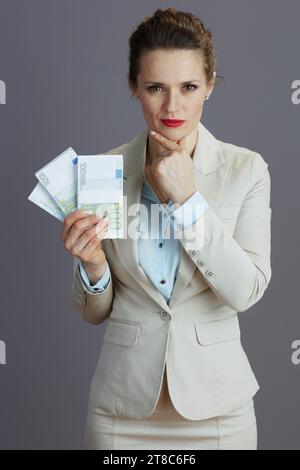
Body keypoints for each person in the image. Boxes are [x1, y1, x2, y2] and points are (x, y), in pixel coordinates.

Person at [61, 7, 272, 450]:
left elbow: (246, 290)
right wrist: (94, 267)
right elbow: (92, 312)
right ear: (134, 87)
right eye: (156, 87)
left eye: (189, 87)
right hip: (121, 413)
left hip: (218, 412)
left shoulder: (246, 170)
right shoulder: (105, 172)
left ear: (210, 85)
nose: (172, 107)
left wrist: (187, 200)